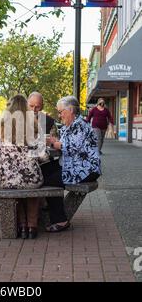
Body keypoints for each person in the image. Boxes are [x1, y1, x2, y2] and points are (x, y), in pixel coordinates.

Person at [44, 96, 101, 232]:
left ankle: (60, 219)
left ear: (70, 110)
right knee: (39, 171)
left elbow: (69, 147)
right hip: (71, 164)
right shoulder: (69, 125)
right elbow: (65, 144)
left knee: (50, 181)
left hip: (85, 168)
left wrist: (52, 142)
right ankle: (46, 206)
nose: (59, 115)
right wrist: (55, 142)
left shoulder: (79, 124)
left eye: (61, 111)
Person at [0, 94, 44, 239]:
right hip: (32, 179)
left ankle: (21, 227)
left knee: (16, 184)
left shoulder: (0, 126)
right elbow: (42, 154)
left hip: (7, 179)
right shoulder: (34, 126)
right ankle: (32, 227)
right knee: (29, 185)